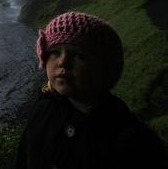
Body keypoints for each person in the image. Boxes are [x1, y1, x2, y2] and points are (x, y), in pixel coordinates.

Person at [14, 11, 167, 169]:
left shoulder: (132, 140)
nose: (63, 62)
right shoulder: (42, 109)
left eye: (79, 55)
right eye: (54, 52)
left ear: (104, 68)